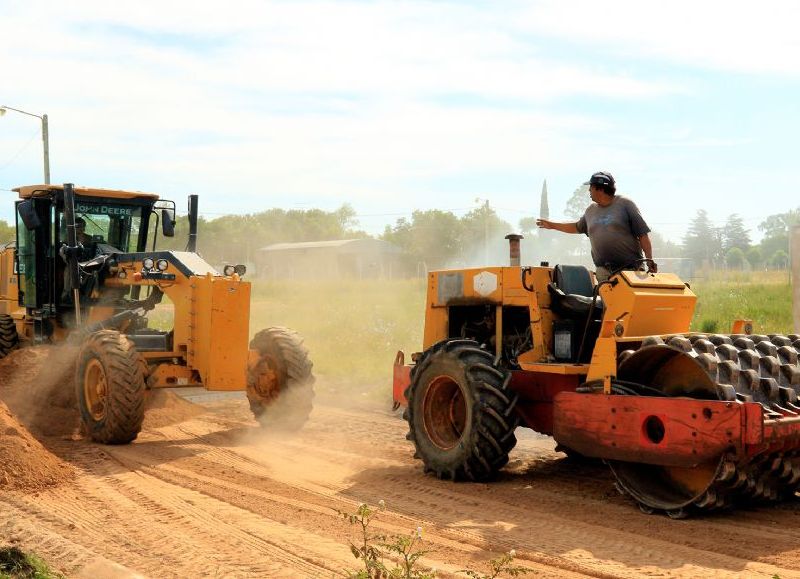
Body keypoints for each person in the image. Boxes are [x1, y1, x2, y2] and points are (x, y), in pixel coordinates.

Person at [536, 171, 656, 282]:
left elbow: (642, 234)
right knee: (607, 305)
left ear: (600, 189)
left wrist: (649, 260)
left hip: (631, 271)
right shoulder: (590, 211)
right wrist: (551, 225)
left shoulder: (625, 205)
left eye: (591, 187)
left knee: (628, 304)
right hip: (604, 272)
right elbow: (577, 227)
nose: (589, 190)